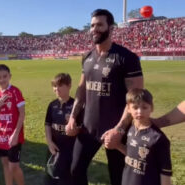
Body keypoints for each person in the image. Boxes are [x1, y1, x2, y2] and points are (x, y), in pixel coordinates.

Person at [65, 9, 144, 185]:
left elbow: (135, 99)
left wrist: (119, 129)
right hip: (88, 127)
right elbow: (81, 90)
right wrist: (72, 118)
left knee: (118, 178)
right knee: (75, 170)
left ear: (111, 28)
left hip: (116, 131)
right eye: (92, 25)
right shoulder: (87, 57)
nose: (95, 29)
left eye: (100, 25)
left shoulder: (126, 57)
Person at [109, 88, 172, 185]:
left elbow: (165, 174)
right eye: (135, 107)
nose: (139, 111)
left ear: (152, 108)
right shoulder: (130, 129)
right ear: (128, 109)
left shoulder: (158, 138)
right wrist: (117, 145)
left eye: (144, 107)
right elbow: (132, 154)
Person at [0, 64, 25, 185]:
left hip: (14, 135)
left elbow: (22, 114)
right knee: (5, 164)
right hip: (2, 135)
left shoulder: (15, 92)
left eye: (4, 76)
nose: (2, 80)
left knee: (14, 166)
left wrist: (16, 134)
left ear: (10, 76)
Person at [44, 73, 76, 185]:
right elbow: (47, 124)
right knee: (51, 177)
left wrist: (73, 125)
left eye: (60, 85)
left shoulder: (75, 105)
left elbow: (81, 129)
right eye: (54, 86)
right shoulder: (52, 105)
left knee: (67, 178)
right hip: (54, 148)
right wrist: (49, 142)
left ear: (69, 86)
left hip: (70, 149)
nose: (56, 89)